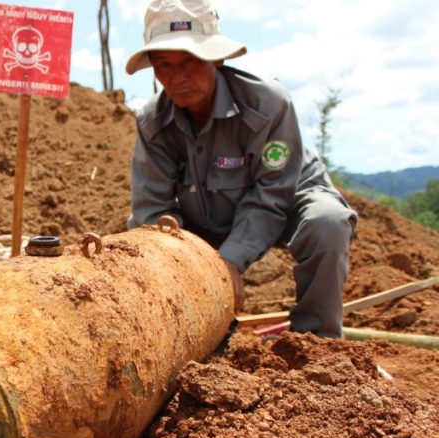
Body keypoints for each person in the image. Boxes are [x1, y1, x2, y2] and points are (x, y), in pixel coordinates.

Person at [125, 0, 358, 338]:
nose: (176, 77)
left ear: (216, 57)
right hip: (202, 218)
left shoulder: (268, 105)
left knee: (327, 223)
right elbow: (153, 211)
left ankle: (317, 345)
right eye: (163, 64)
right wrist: (185, 263)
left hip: (285, 197)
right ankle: (183, 337)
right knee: (140, 242)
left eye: (189, 60)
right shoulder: (152, 123)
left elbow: (272, 196)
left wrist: (229, 263)